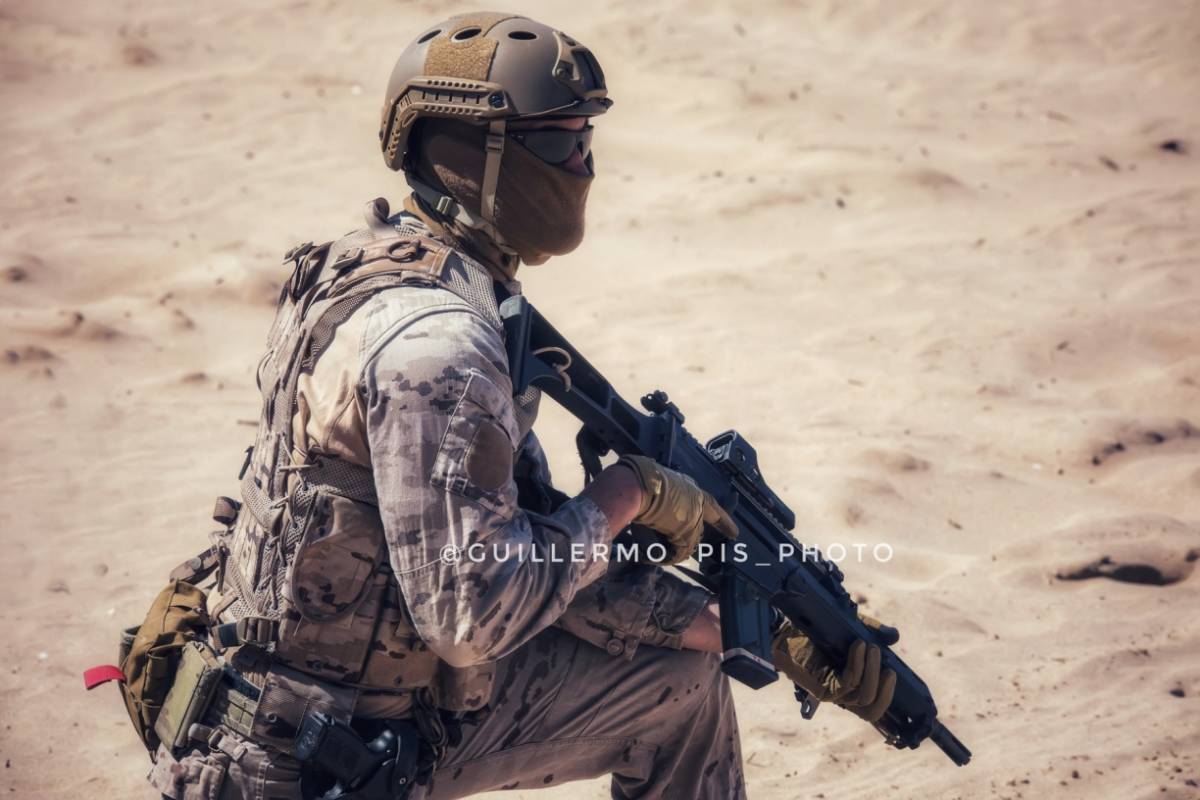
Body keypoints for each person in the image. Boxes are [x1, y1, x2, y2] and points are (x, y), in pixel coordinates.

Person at [146, 12, 893, 800]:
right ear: (474, 155)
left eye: (587, 141)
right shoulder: (442, 349)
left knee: (683, 681)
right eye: (558, 143)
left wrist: (753, 632)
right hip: (315, 765)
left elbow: (517, 539)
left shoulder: (377, 268)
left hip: (306, 713)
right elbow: (477, 618)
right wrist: (629, 494)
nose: (582, 166)